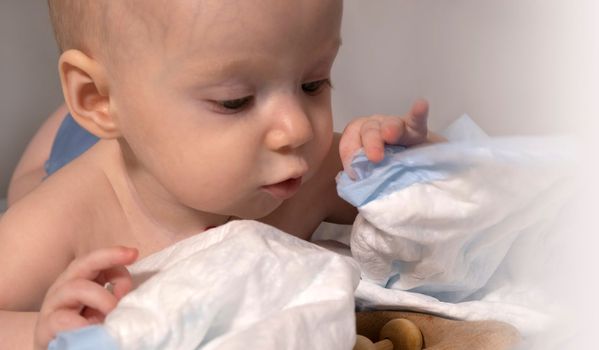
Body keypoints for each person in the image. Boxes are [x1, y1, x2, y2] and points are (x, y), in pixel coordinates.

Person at [0, 1, 439, 348]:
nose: (299, 129)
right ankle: (68, 119)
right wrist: (42, 334)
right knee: (29, 181)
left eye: (313, 84)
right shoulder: (67, 216)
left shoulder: (310, 168)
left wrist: (410, 158)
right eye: (236, 101)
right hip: (73, 154)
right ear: (97, 97)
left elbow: (441, 205)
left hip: (135, 123)